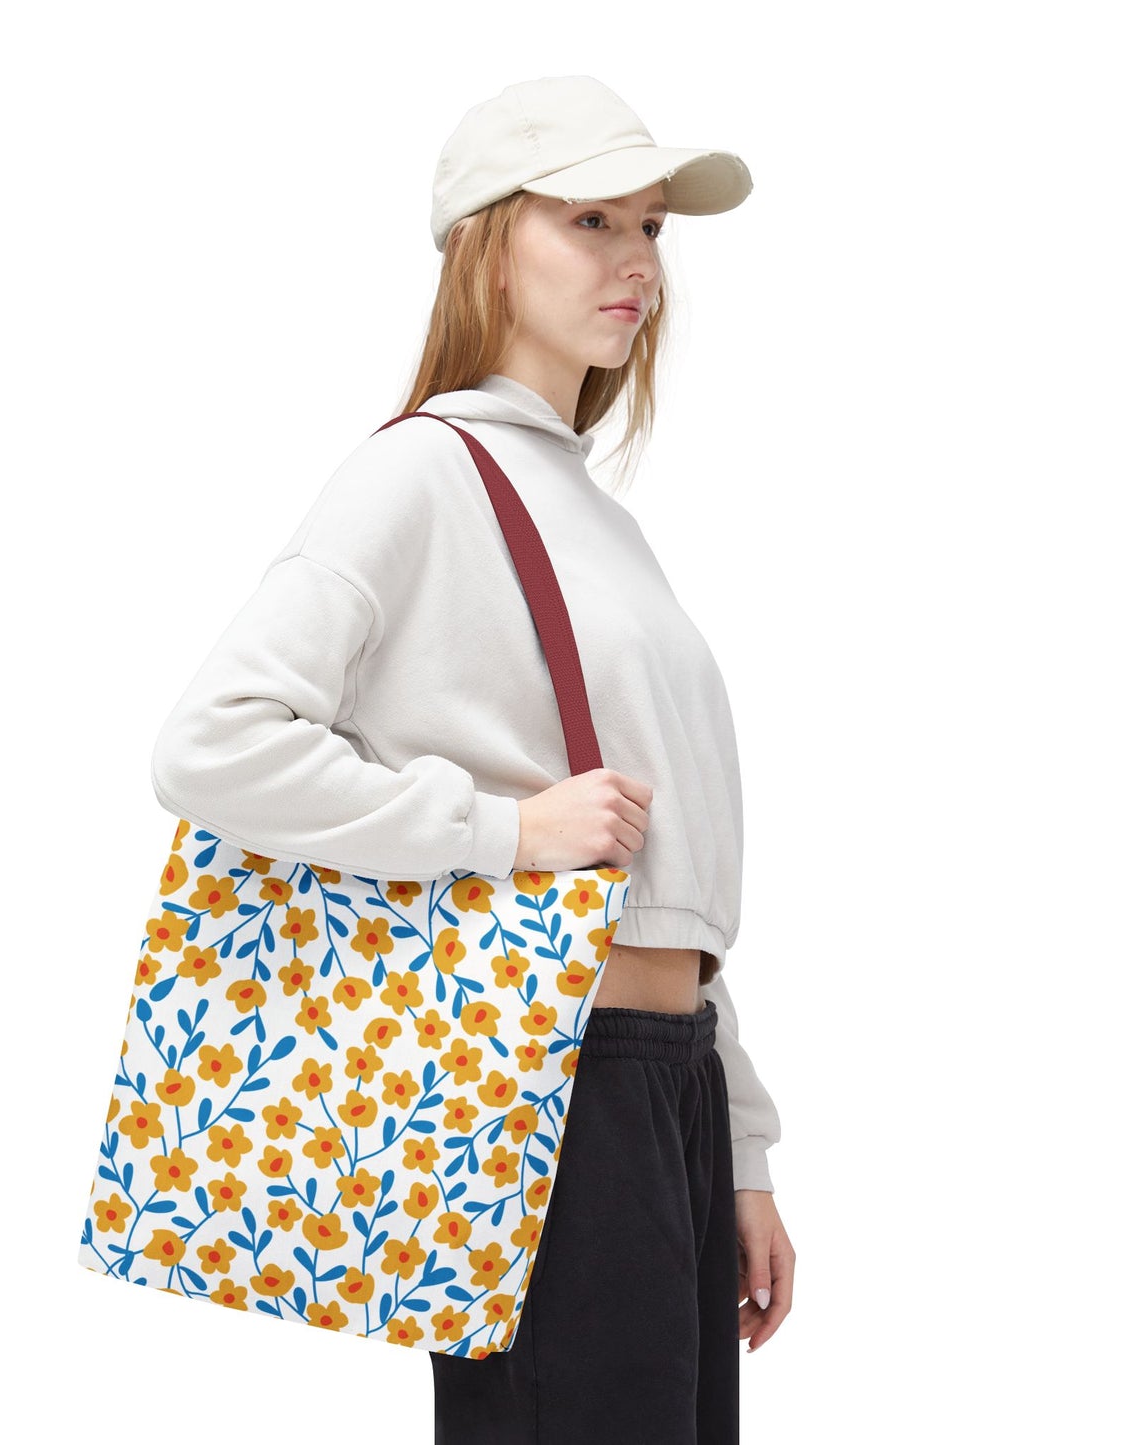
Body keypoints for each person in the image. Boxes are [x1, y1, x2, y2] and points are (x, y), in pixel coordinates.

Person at [149, 74, 794, 1444]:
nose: (635, 260)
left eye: (652, 229)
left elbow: (662, 873)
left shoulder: (596, 516)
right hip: (548, 1079)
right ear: (486, 244)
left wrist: (735, 1147)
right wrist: (500, 830)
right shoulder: (417, 475)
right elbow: (210, 745)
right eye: (590, 219)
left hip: (655, 1079)